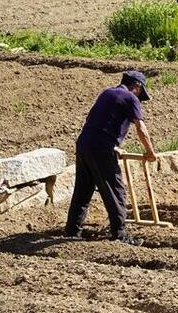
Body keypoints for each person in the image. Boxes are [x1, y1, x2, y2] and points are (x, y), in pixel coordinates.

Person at [64, 71, 157, 245]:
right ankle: (120, 234)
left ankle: (72, 231)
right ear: (137, 87)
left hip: (84, 144)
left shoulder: (107, 93)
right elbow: (140, 127)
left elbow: (98, 122)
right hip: (101, 148)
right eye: (140, 91)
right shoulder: (131, 98)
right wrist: (150, 152)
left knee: (83, 190)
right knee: (115, 190)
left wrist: (114, 147)